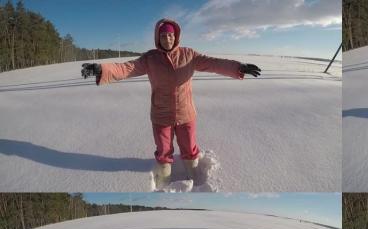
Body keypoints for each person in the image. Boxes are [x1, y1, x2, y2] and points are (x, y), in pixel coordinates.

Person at [80, 19, 262, 188]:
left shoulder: (189, 55)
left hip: (186, 114)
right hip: (161, 115)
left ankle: (195, 178)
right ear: (157, 38)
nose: (167, 38)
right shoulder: (150, 58)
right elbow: (126, 68)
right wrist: (101, 69)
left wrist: (238, 67)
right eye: (163, 35)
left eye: (170, 35)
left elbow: (213, 63)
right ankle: (165, 182)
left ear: (176, 37)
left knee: (190, 149)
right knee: (164, 152)